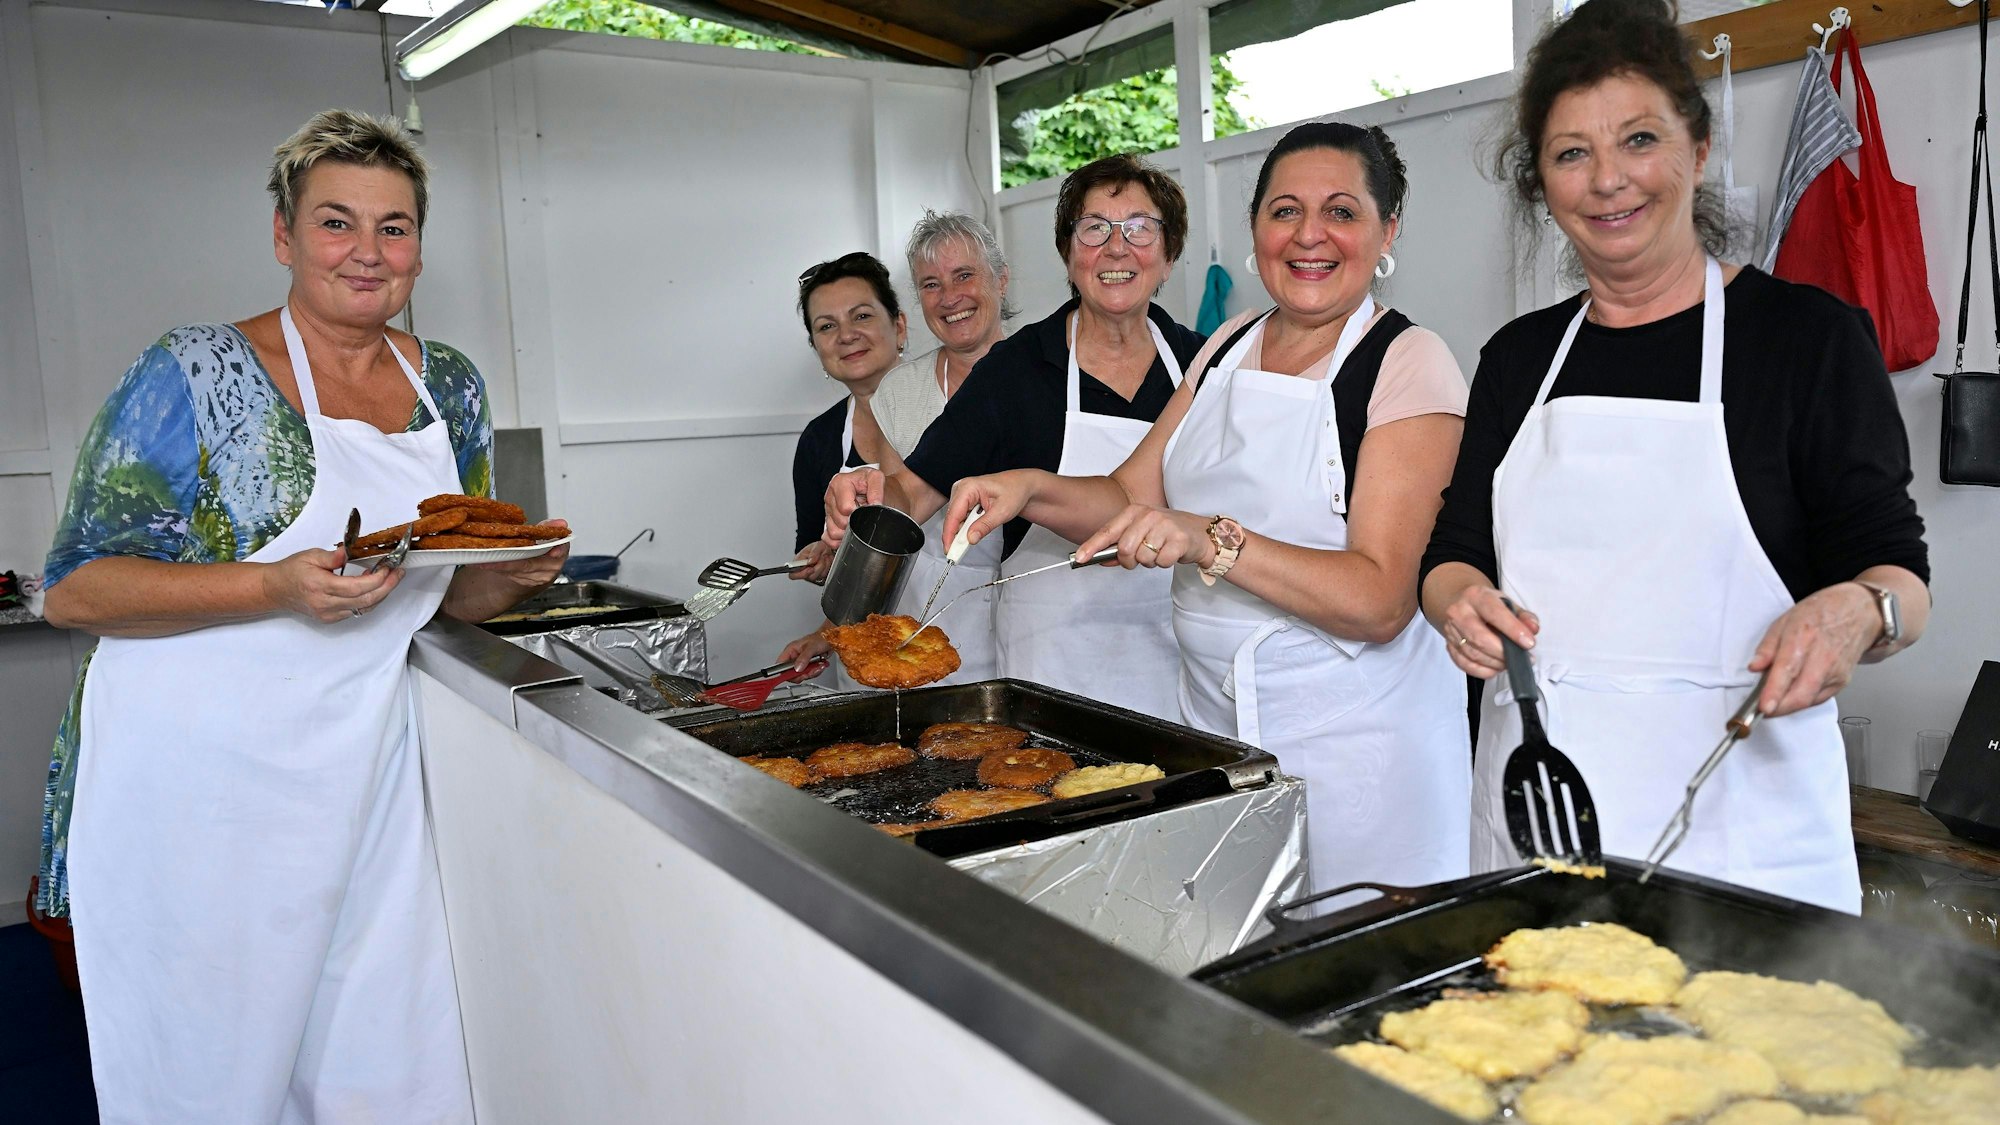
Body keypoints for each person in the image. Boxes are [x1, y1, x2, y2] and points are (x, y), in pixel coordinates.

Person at [37, 109, 564, 1120]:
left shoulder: (445, 384)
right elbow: (76, 589)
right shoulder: (193, 371)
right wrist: (276, 586)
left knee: (394, 1061)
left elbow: (446, 588)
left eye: (394, 227)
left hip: (366, 774)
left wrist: (515, 573)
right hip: (197, 789)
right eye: (335, 222)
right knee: (212, 1075)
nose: (367, 253)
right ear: (284, 236)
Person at [1419, 0, 1929, 914]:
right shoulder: (1518, 358)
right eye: (1572, 152)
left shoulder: (1806, 340)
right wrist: (1455, 600)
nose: (1609, 179)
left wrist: (1859, 609)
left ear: (1697, 151)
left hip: (1743, 832)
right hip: (1539, 815)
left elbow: (1899, 575)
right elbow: (1452, 549)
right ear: (1542, 183)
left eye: (1639, 138)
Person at [941, 123, 1472, 892]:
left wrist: (1209, 539)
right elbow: (1127, 495)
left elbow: (1381, 599)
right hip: (1217, 734)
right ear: (1255, 228)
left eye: (1342, 212)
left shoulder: (1407, 360)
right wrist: (1027, 486)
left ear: (1387, 229)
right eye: (1284, 211)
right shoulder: (1226, 346)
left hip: (1355, 749)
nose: (1309, 235)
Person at [825, 155, 1205, 717]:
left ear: (1168, 256)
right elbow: (916, 489)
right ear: (1069, 254)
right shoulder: (1015, 368)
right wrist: (870, 491)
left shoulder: (1203, 366)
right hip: (1049, 673)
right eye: (1094, 228)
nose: (1117, 247)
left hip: (1178, 662)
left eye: (1140, 227)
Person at [782, 211, 1014, 682]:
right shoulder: (881, 406)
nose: (847, 335)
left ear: (899, 326)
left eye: (964, 275)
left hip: (1005, 624)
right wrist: (831, 562)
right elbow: (897, 515)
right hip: (898, 632)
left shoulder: (1036, 377)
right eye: (931, 284)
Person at [786, 251, 909, 586]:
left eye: (862, 316)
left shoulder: (956, 409)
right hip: (872, 630)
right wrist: (819, 559)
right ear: (817, 348)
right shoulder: (819, 439)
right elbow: (812, 543)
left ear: (899, 326)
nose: (846, 335)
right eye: (827, 326)